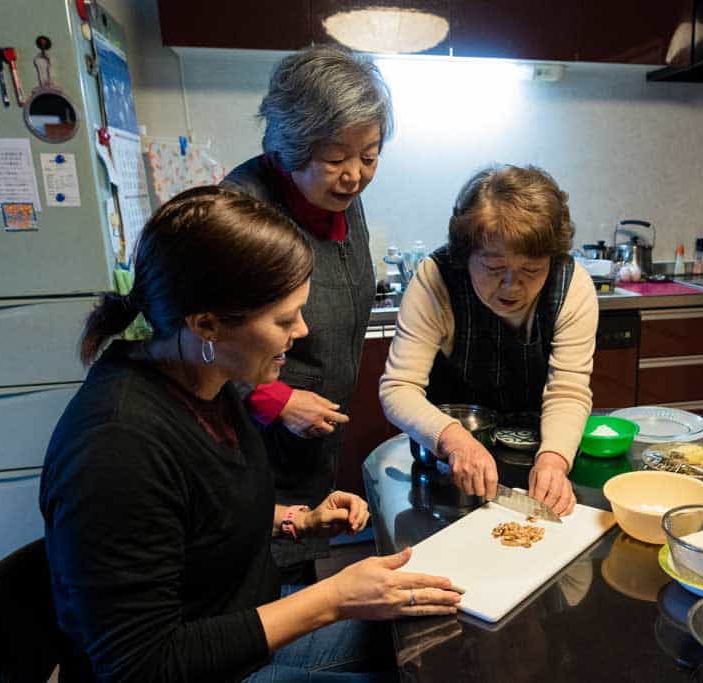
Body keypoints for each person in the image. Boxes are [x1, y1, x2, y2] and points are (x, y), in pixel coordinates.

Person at [40, 187, 460, 682]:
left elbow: (197, 520)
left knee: (431, 634)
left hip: (238, 647)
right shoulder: (116, 447)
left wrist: (295, 521)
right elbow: (140, 664)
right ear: (207, 325)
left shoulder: (207, 384)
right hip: (194, 672)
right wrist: (332, 598)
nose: (301, 331)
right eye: (285, 318)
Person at [220, 45, 391, 579]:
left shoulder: (344, 197)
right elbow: (202, 336)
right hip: (254, 437)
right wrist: (275, 399)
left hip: (314, 438)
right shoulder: (242, 209)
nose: (355, 175)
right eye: (337, 158)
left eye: (370, 154)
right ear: (290, 145)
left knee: (300, 561)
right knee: (255, 571)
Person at [379, 165, 599, 516]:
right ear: (465, 255)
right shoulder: (437, 280)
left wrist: (555, 461)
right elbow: (399, 388)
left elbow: (568, 390)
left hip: (536, 458)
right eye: (494, 269)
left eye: (531, 270)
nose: (512, 286)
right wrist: (453, 439)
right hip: (448, 465)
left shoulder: (572, 286)